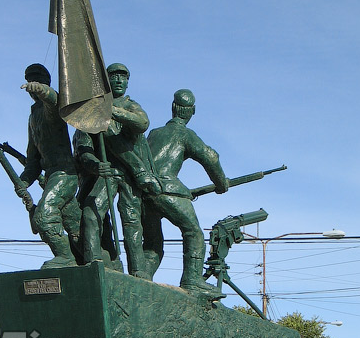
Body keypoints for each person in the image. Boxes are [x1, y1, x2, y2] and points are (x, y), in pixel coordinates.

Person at [77, 63, 160, 278]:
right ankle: (94, 263)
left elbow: (142, 123)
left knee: (131, 222)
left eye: (123, 77)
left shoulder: (131, 106)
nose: (119, 81)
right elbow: (82, 150)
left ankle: (138, 271)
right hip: (107, 173)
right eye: (114, 77)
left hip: (131, 177)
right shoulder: (91, 114)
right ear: (106, 81)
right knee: (90, 211)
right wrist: (96, 164)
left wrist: (110, 111)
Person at [143, 88, 228, 295]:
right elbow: (211, 157)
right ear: (193, 111)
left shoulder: (154, 133)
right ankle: (192, 280)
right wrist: (221, 183)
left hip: (143, 192)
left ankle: (141, 279)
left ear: (173, 108)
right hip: (167, 190)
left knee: (153, 245)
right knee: (194, 233)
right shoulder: (185, 134)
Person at [18, 63, 82, 268]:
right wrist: (24, 181)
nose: (33, 86)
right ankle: (93, 258)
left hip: (65, 173)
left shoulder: (52, 107)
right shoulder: (32, 118)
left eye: (38, 81)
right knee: (75, 227)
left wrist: (42, 90)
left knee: (45, 216)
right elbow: (33, 159)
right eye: (31, 81)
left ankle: (65, 257)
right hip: (51, 175)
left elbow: (53, 100)